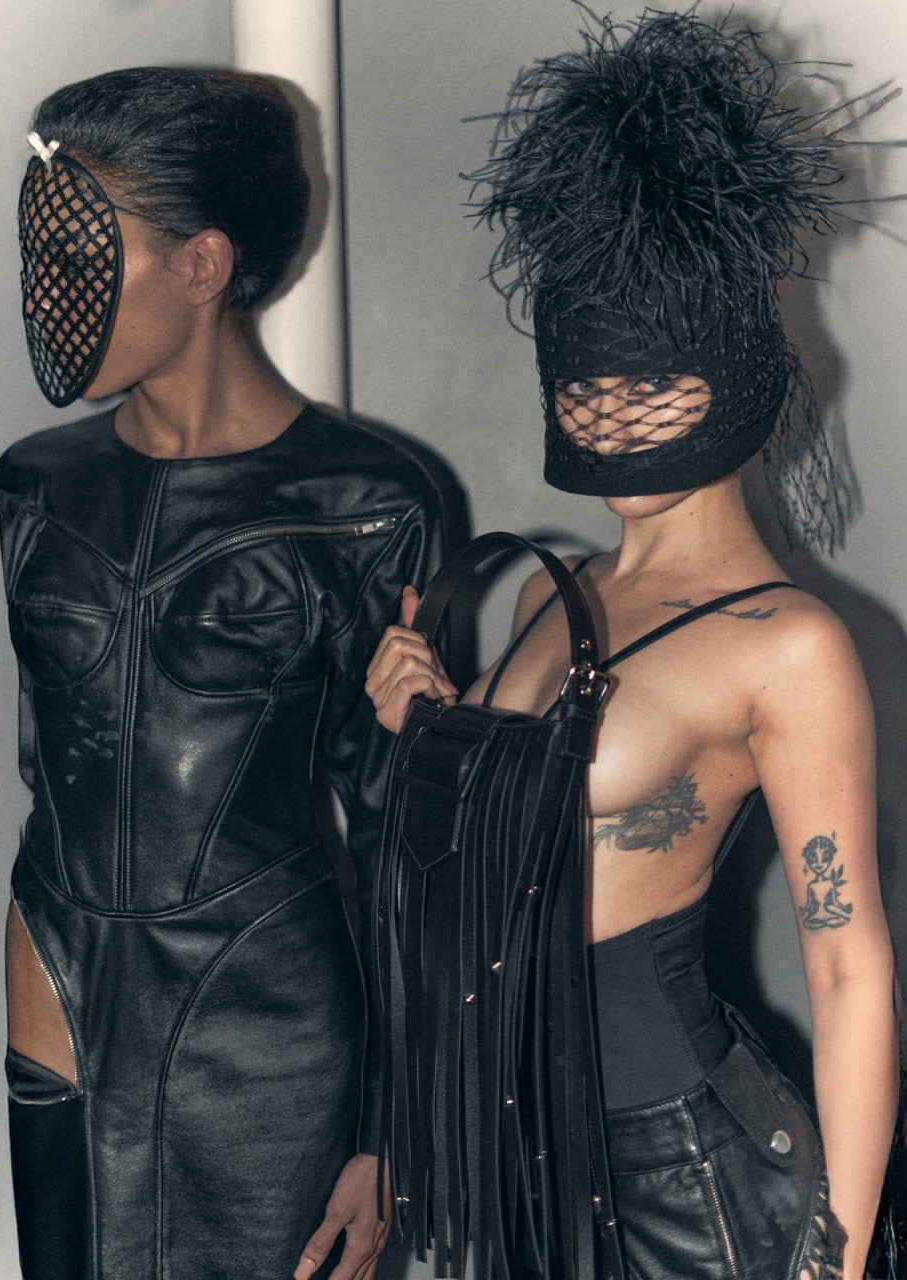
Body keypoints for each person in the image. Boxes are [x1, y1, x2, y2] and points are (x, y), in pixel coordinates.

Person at [365, 12, 898, 1279]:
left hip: (681, 1177)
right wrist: (419, 718)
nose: (609, 412)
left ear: (734, 368)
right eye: (585, 383)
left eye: (650, 382)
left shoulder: (789, 644)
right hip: (511, 1168)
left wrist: (838, 1258)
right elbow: (484, 851)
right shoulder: (554, 597)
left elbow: (849, 966)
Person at [0, 67, 441, 1280]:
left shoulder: (365, 505)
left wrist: (389, 1127)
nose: (43, 293)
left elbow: (401, 836)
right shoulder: (34, 486)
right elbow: (51, 767)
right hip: (60, 988)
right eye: (37, 257)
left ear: (202, 265)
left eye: (78, 258)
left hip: (269, 1030)